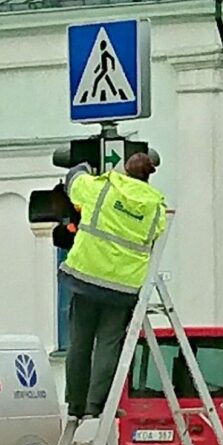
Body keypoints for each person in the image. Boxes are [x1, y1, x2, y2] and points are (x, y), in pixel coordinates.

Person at [59, 152, 167, 419]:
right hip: (123, 286)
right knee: (109, 343)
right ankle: (96, 405)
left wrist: (85, 165)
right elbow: (155, 234)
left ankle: (75, 404)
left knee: (79, 342)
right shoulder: (155, 207)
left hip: (87, 277)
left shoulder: (102, 188)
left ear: (125, 170)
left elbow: (73, 180)